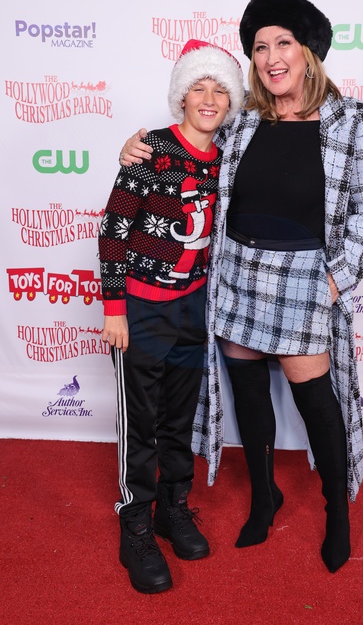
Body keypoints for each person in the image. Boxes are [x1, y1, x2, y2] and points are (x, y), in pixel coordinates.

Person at [119, 0, 363, 574]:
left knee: (317, 402)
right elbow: (189, 147)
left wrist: (336, 281)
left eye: (282, 43)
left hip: (305, 279)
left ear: (309, 51)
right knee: (248, 396)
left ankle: (336, 511)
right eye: (260, 47)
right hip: (237, 274)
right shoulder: (241, 121)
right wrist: (138, 148)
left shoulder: (351, 119)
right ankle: (264, 498)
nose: (270, 57)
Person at [99, 39, 244, 594]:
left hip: (193, 307)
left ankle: (172, 507)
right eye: (197, 88)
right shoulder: (152, 151)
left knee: (180, 417)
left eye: (219, 91)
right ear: (181, 96)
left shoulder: (227, 159)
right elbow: (114, 232)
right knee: (141, 422)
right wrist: (116, 309)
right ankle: (135, 523)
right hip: (141, 309)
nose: (208, 99)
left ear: (231, 103)